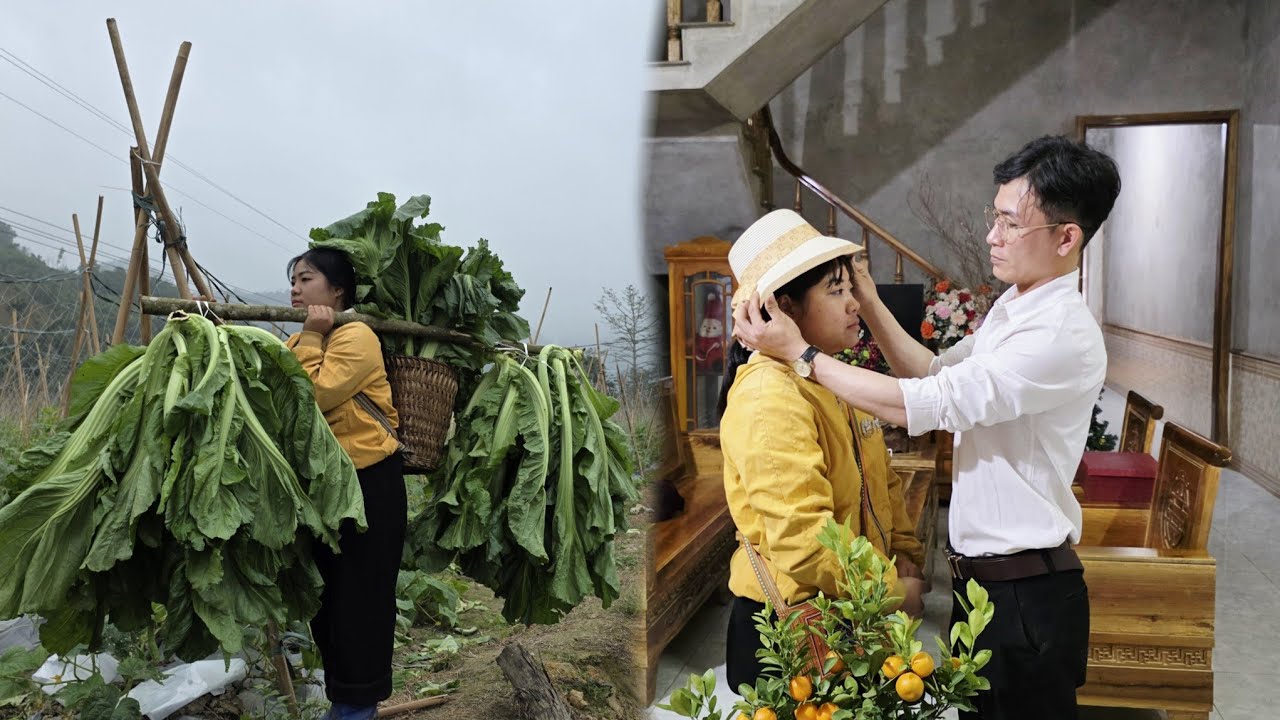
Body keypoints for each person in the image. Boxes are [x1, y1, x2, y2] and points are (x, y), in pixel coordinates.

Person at [732, 136, 1121, 719]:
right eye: (995, 217)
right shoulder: (775, 392)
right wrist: (866, 302)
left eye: (1011, 224)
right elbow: (936, 373)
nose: (992, 236)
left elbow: (932, 404)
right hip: (948, 590)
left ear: (1066, 238)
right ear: (785, 308)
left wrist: (804, 356)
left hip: (1023, 590)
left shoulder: (1057, 332)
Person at [719, 209, 927, 691]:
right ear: (784, 309)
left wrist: (905, 553)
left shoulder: (827, 377)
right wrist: (893, 590)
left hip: (851, 609)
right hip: (791, 630)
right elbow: (804, 537)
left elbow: (884, 484)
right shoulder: (770, 394)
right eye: (836, 291)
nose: (854, 303)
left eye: (850, 288)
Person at [285, 247, 406, 720]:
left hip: (368, 483)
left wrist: (314, 335)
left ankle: (357, 710)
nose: (295, 288)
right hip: (324, 486)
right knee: (330, 602)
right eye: (293, 280)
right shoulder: (299, 341)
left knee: (361, 601)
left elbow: (312, 394)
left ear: (337, 291)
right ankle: (345, 705)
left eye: (306, 279)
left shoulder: (357, 336)